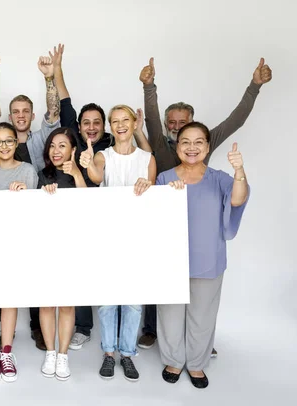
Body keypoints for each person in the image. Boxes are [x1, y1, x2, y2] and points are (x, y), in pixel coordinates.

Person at [136, 56, 272, 353]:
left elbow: (235, 120)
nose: (176, 126)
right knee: (161, 288)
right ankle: (153, 331)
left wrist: (254, 87)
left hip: (200, 230)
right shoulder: (160, 144)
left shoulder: (202, 146)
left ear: (199, 134)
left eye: (182, 122)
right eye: (172, 122)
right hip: (167, 230)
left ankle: (199, 345)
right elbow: (151, 116)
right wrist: (149, 86)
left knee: (201, 294)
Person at [141, 122, 250, 389]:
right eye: (185, 142)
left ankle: (197, 363)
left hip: (208, 260)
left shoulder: (219, 178)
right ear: (177, 147)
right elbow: (151, 216)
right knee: (170, 315)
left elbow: (237, 199)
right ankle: (174, 360)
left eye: (198, 142)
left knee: (202, 316)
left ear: (207, 146)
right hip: (171, 262)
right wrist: (149, 188)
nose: (192, 147)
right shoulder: (166, 178)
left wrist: (239, 171)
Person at [0, 52, 60, 351]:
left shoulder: (40, 140)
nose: (21, 115)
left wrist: (50, 78)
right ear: (9, 119)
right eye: (16, 111)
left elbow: (54, 112)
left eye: (26, 110)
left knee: (36, 275)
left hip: (34, 214)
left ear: (32, 115)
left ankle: (39, 329)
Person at [80, 105, 156, 382]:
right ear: (111, 127)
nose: (121, 125)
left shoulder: (147, 158)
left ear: (135, 124)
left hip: (137, 240)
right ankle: (109, 354)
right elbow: (98, 177)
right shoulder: (103, 155)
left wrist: (148, 185)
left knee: (134, 303)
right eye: (115, 121)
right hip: (108, 239)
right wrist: (89, 164)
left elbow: (151, 194)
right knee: (108, 302)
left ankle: (127, 353)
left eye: (126, 120)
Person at [0, 122, 38, 382]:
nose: (3, 146)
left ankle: (7, 350)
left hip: (16, 243)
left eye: (8, 141)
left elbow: (35, 210)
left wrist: (24, 195)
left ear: (16, 143)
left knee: (9, 297)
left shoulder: (28, 170)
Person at [37, 128, 85, 381]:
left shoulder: (84, 173)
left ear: (72, 150)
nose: (56, 151)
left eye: (62, 146)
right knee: (47, 304)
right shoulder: (42, 175)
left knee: (66, 304)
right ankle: (51, 351)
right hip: (46, 247)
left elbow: (87, 205)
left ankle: (63, 354)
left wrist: (77, 172)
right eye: (52, 146)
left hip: (73, 248)